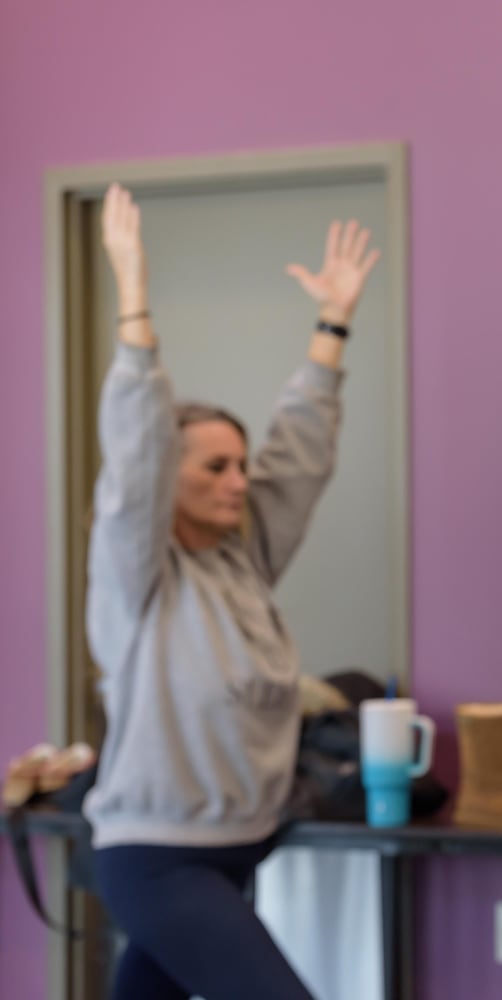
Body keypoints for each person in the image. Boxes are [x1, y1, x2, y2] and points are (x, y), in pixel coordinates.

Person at [84, 183, 380, 1000]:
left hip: (240, 845)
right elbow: (136, 454)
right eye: (213, 466)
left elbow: (298, 457)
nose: (237, 482)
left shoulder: (240, 559)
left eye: (239, 466)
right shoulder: (135, 575)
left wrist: (332, 328)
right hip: (157, 857)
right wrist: (135, 304)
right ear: (164, 479)